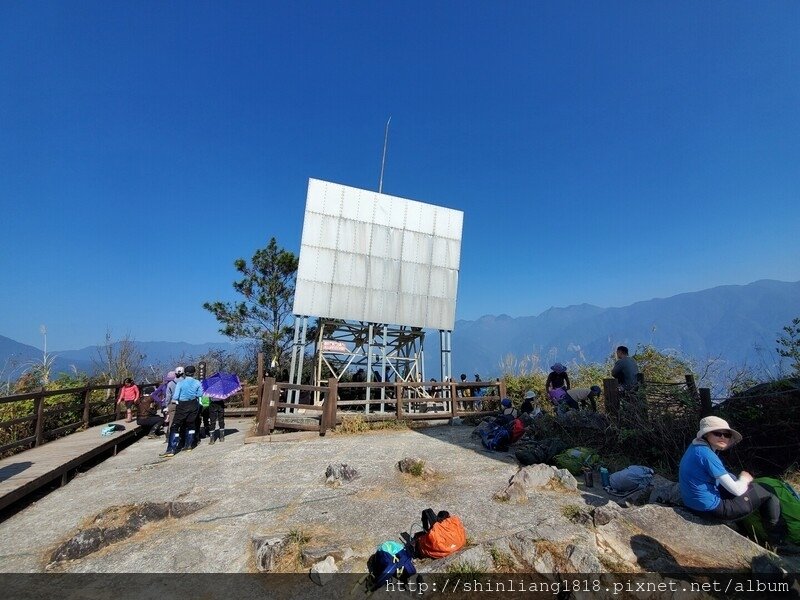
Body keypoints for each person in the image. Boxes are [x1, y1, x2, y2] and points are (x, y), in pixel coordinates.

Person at [678, 416, 790, 550]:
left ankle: (748, 529)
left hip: (693, 505)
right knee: (768, 492)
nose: (723, 437)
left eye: (727, 435)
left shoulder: (695, 447)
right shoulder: (707, 455)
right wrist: (744, 479)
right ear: (706, 434)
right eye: (717, 433)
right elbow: (737, 490)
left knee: (751, 489)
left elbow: (717, 477)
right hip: (711, 509)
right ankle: (778, 543)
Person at [160, 365, 202, 458]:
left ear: (185, 373)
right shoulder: (197, 382)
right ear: (193, 373)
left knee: (175, 426)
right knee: (191, 425)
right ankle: (189, 445)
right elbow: (200, 394)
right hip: (193, 404)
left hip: (182, 405)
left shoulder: (180, 383)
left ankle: (171, 449)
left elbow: (175, 397)